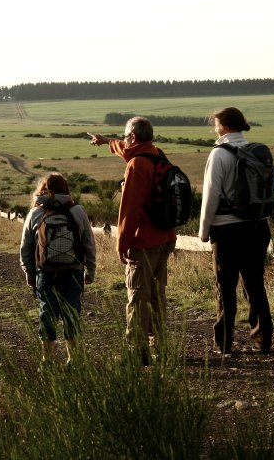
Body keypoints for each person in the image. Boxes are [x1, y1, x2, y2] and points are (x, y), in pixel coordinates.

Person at [88, 117, 176, 365]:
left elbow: (129, 210)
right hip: (165, 237)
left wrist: (121, 243)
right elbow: (125, 149)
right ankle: (161, 348)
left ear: (134, 138)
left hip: (144, 242)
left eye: (126, 136)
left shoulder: (137, 165)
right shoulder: (156, 154)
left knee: (137, 298)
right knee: (157, 296)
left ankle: (136, 352)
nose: (124, 140)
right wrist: (107, 142)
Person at [199, 107, 273, 355]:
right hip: (257, 225)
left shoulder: (219, 154)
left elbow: (211, 195)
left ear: (225, 126)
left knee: (225, 286)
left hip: (227, 229)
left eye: (216, 124)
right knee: (254, 283)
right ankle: (263, 339)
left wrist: (204, 229)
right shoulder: (255, 151)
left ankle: (224, 342)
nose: (215, 128)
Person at [19, 172, 96, 366]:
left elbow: (26, 248)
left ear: (43, 188)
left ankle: (48, 358)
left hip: (45, 272)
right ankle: (74, 358)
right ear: (66, 188)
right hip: (73, 271)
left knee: (47, 312)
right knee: (72, 312)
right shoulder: (78, 211)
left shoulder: (35, 213)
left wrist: (29, 273)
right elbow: (88, 244)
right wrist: (90, 270)